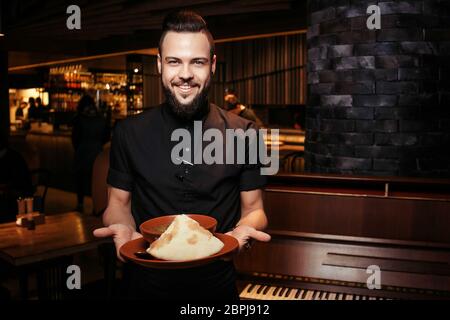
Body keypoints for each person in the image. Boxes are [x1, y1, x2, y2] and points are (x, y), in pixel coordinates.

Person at [93, 10, 271, 300]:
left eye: (197, 62)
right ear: (160, 64)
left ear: (212, 65)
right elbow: (117, 204)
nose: (185, 74)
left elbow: (255, 210)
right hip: (145, 285)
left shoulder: (247, 134)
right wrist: (122, 228)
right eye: (174, 61)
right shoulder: (128, 132)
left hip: (216, 287)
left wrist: (240, 235)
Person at [72, 95, 110, 212]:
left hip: (83, 151)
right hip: (96, 152)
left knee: (81, 179)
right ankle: (96, 206)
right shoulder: (100, 118)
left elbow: (75, 138)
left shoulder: (79, 118)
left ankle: (80, 203)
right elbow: (106, 136)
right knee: (95, 180)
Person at [0, 129, 33, 223]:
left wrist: (5, 188)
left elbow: (21, 186)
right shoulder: (12, 156)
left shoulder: (12, 159)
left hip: (16, 201)